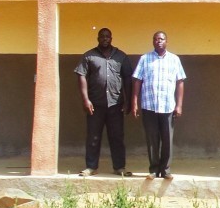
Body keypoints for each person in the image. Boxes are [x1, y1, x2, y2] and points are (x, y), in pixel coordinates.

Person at [74, 28, 133, 177]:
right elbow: (81, 76)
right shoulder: (89, 56)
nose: (105, 39)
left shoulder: (121, 56)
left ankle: (119, 167)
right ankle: (91, 167)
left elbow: (127, 78)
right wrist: (86, 99)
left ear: (111, 38)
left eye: (107, 36)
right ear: (98, 38)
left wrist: (128, 101)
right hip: (95, 104)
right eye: (102, 36)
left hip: (116, 104)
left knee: (117, 137)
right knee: (93, 137)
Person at [131, 31, 186, 180]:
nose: (158, 41)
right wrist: (134, 102)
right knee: (152, 139)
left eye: (161, 39)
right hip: (149, 106)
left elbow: (180, 82)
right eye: (155, 39)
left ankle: (165, 170)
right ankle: (154, 169)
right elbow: (137, 80)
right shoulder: (145, 59)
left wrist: (179, 105)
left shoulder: (174, 60)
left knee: (167, 139)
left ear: (166, 41)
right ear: (152, 42)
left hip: (168, 106)